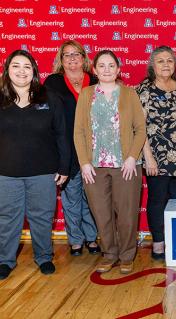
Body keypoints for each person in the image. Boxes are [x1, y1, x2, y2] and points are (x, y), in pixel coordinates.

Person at [74, 50, 146, 274]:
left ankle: (126, 255)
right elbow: (78, 132)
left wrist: (132, 157)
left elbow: (140, 129)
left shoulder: (129, 94)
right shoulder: (86, 95)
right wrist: (84, 163)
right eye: (102, 66)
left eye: (111, 65)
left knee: (126, 213)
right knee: (101, 213)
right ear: (94, 70)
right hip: (94, 167)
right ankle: (109, 253)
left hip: (126, 166)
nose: (106, 70)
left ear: (118, 69)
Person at [0, 50, 70, 279]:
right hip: (6, 173)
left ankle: (43, 257)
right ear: (7, 70)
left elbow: (62, 134)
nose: (21, 71)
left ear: (34, 72)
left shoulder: (50, 98)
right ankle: (5, 261)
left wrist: (64, 166)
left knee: (41, 216)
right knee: (8, 217)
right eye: (16, 66)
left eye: (27, 67)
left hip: (43, 173)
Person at [136, 46, 176, 260]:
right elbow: (139, 126)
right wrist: (148, 156)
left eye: (170, 61)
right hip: (157, 157)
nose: (166, 64)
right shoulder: (144, 90)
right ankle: (158, 244)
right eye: (161, 60)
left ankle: (175, 241)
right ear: (152, 65)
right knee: (157, 200)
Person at [44, 40, 100, 256]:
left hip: (94, 149)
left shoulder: (95, 80)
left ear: (84, 58)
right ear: (61, 59)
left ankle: (91, 237)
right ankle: (75, 240)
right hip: (66, 149)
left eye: (76, 54)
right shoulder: (53, 83)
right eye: (67, 55)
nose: (72, 58)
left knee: (91, 198)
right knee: (71, 198)